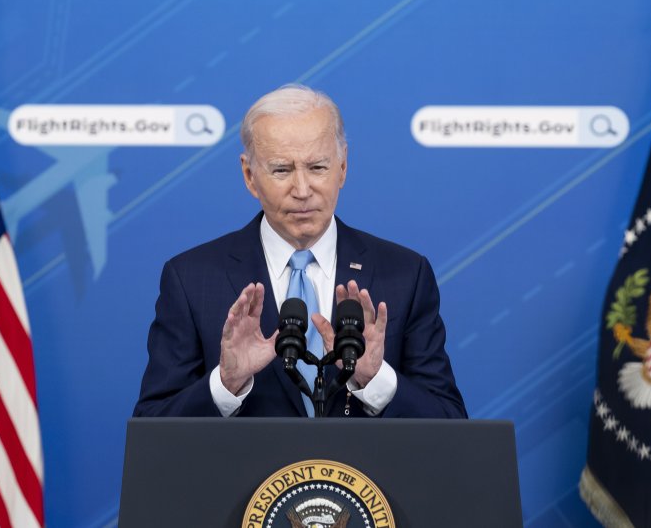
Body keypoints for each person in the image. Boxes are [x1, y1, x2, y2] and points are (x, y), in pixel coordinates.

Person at [134, 85, 466, 418]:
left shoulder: (406, 275)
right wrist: (226, 383)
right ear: (250, 176)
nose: (303, 190)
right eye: (282, 170)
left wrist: (376, 380)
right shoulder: (192, 280)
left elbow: (452, 427)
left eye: (318, 168)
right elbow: (152, 431)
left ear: (343, 168)